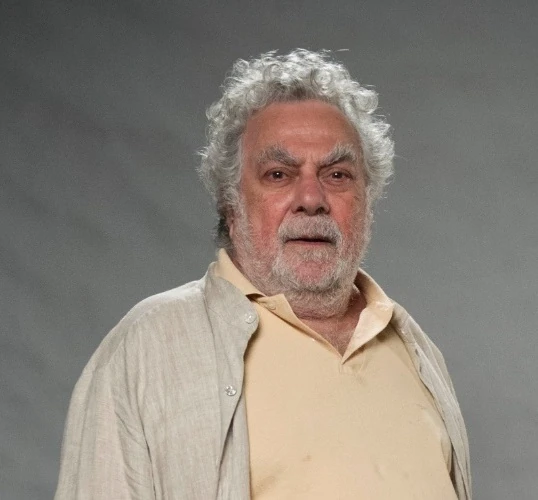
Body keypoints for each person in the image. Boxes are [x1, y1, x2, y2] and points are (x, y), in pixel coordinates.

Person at [55, 49, 471, 499]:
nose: (311, 199)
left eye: (337, 175)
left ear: (367, 200)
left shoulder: (416, 352)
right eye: (278, 174)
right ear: (231, 201)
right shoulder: (147, 349)